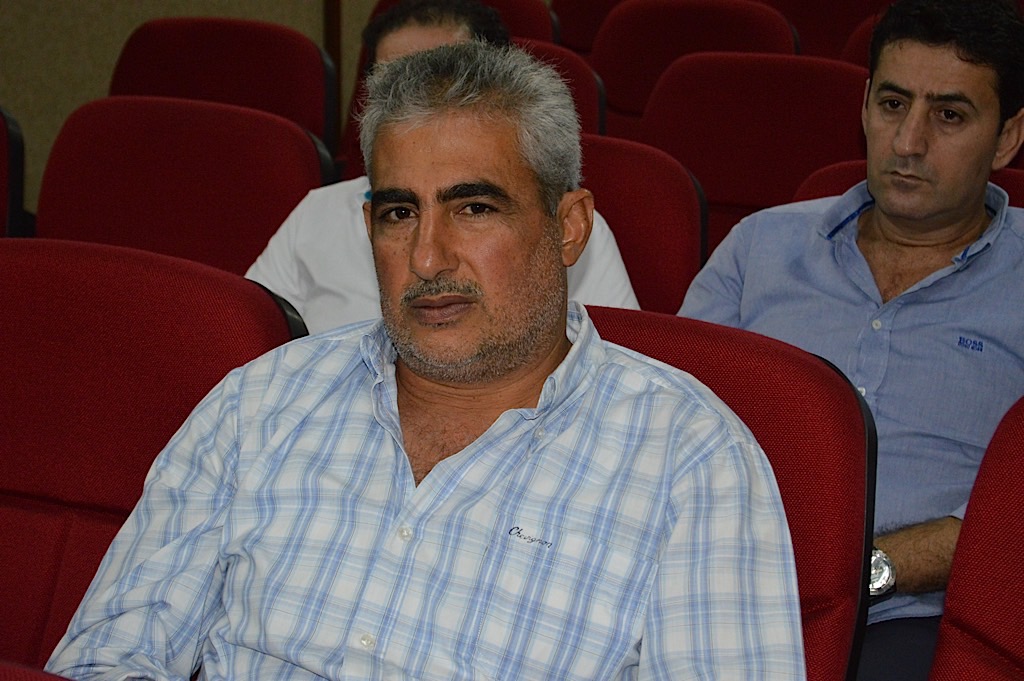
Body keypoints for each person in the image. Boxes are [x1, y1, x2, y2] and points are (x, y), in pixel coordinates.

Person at [47, 42, 805, 679]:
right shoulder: (259, 403)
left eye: (475, 208)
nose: (428, 256)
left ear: (569, 227)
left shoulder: (689, 459)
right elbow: (105, 659)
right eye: (399, 212)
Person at [679, 1, 1024, 679]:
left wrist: (870, 569)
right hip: (718, 587)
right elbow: (666, 419)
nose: (908, 142)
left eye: (949, 116)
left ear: (1008, 136)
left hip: (926, 618)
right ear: (864, 105)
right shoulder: (761, 246)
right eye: (893, 104)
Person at [246, 0, 639, 334]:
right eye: (391, 86)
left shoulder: (556, 223)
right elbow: (248, 333)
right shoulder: (317, 211)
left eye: (476, 209)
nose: (426, 261)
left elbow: (612, 355)